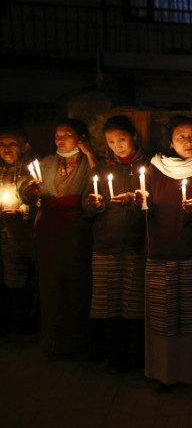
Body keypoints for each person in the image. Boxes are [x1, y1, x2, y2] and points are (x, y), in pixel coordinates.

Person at [138, 115, 192, 386]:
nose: (188, 141)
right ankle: (165, 373)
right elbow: (143, 200)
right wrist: (140, 200)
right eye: (181, 136)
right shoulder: (154, 169)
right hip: (162, 251)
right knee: (164, 315)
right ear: (170, 142)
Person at [20, 118, 97, 356]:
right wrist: (30, 191)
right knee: (50, 286)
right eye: (57, 135)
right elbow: (27, 191)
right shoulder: (47, 162)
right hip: (49, 232)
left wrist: (91, 157)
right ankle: (53, 342)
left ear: (81, 139)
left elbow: (97, 187)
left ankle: (77, 344)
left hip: (76, 232)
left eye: (67, 134)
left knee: (75, 285)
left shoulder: (89, 163)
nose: (60, 139)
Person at [83, 115, 148, 372]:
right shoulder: (101, 169)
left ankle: (135, 358)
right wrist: (93, 204)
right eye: (111, 141)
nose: (117, 145)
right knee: (107, 302)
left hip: (135, 245)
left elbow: (154, 203)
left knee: (133, 305)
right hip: (105, 246)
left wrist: (138, 199)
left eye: (122, 138)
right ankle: (113, 357)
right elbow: (85, 206)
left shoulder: (148, 166)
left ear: (133, 136)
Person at [0, 126, 36, 333]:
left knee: (19, 278)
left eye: (11, 144)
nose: (6, 149)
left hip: (19, 233)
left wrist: (21, 211)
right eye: (1, 145)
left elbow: (32, 198)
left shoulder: (29, 171)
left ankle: (23, 323)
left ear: (24, 147)